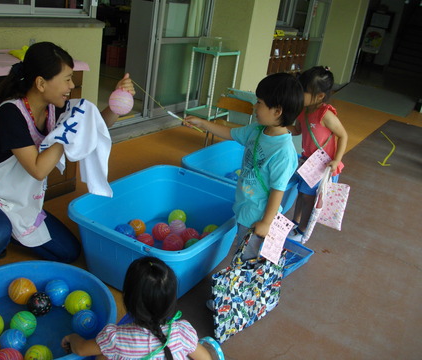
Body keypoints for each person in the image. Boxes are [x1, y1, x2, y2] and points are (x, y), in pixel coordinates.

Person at [0, 41, 135, 290]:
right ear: (40, 83)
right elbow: (38, 168)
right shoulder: (10, 114)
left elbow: (94, 127)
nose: (71, 86)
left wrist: (117, 104)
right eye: (67, 79)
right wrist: (67, 130)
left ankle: (8, 236)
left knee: (68, 253)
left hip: (22, 204)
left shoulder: (52, 109)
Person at [184, 72, 304, 260]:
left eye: (260, 103)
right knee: (242, 254)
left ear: (277, 111)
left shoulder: (284, 152)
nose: (254, 107)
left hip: (259, 219)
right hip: (245, 209)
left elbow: (277, 191)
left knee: (250, 263)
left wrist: (266, 222)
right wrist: (203, 123)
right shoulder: (256, 131)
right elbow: (229, 132)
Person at [61, 256, 213, 359]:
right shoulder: (182, 332)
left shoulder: (115, 338)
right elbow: (206, 358)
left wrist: (71, 338)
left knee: (102, 356)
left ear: (127, 298)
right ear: (171, 301)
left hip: (114, 345)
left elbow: (81, 349)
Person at [286, 66, 348, 242]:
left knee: (309, 197)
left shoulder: (325, 114)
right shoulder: (303, 110)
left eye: (303, 91)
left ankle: (302, 230)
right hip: (307, 162)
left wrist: (337, 160)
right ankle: (294, 223)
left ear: (320, 96)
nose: (299, 95)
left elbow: (343, 135)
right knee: (301, 194)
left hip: (323, 165)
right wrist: (280, 126)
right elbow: (298, 130)